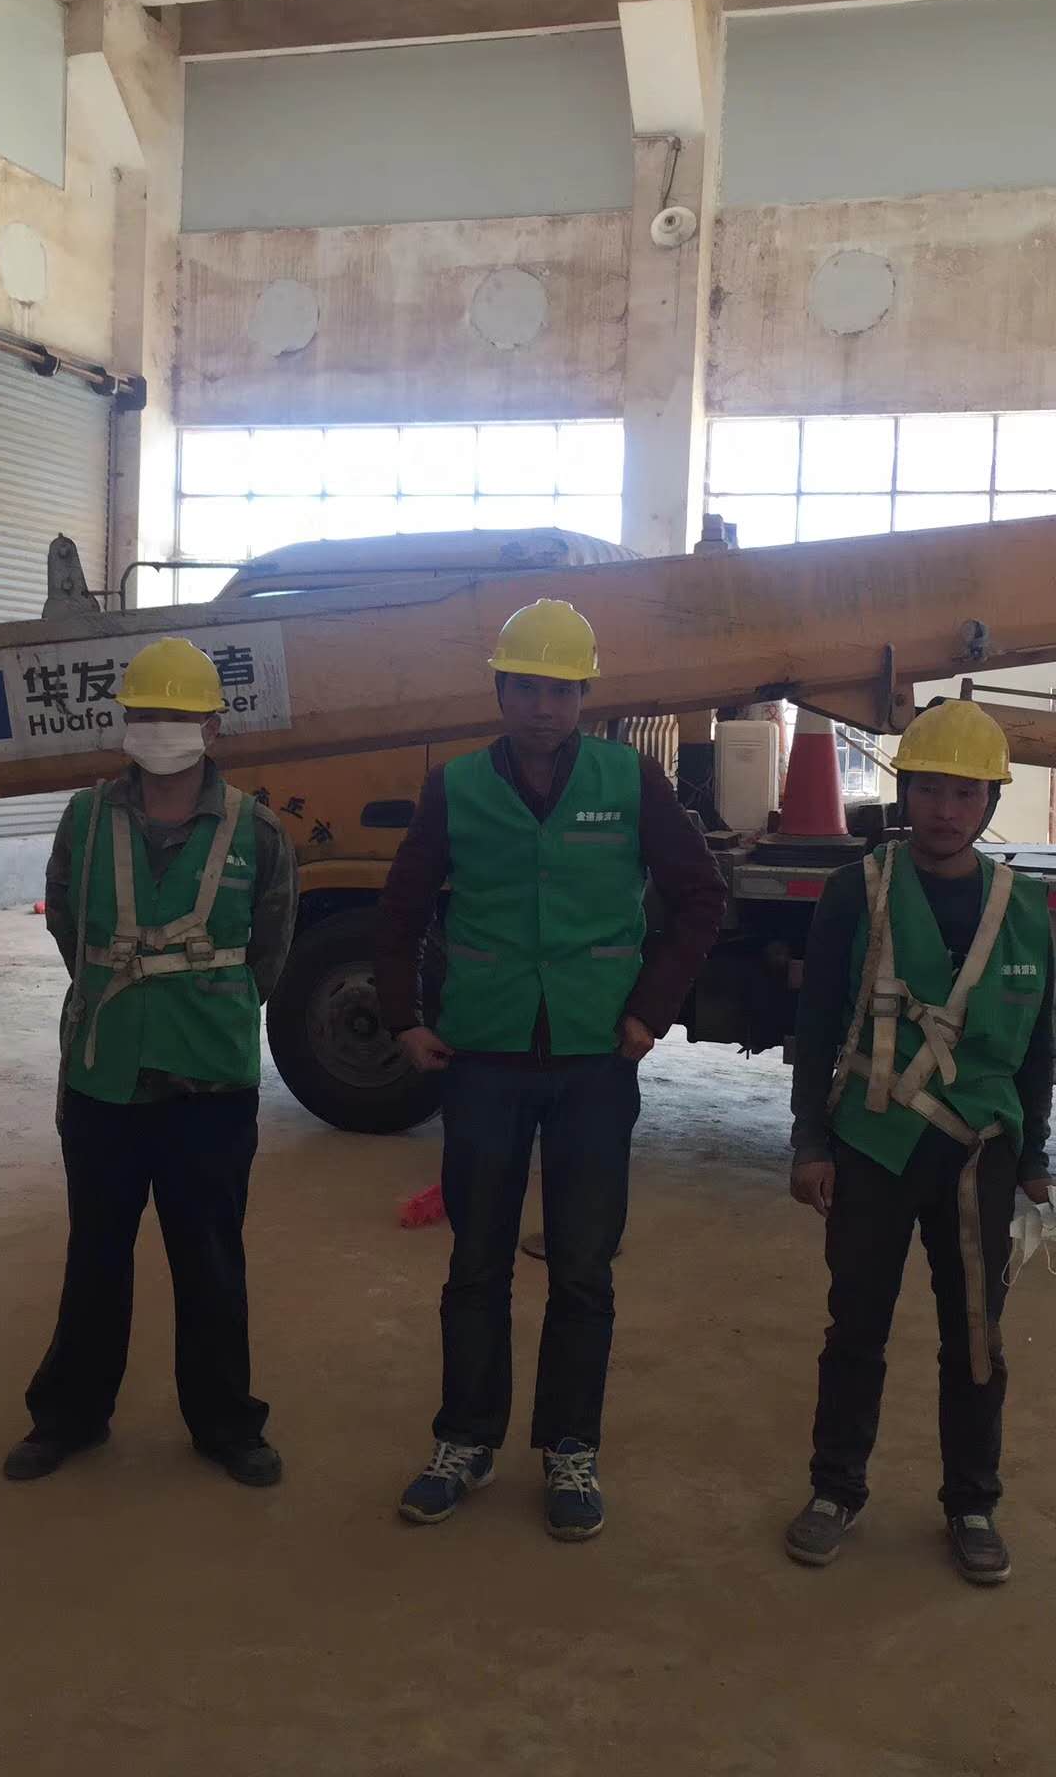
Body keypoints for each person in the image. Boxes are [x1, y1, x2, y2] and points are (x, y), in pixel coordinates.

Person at [375, 598, 726, 1541]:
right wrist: (405, 1018)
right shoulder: (455, 787)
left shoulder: (630, 779)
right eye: (526, 688)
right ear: (499, 691)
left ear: (585, 699)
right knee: (476, 1262)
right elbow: (401, 909)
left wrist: (651, 1009)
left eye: (562, 691)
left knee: (582, 1269)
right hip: (483, 1055)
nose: (543, 707)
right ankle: (465, 1440)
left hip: (593, 1060)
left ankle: (571, 1449)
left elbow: (701, 895)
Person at [4, 638, 298, 1487]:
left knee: (210, 1260)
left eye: (179, 713)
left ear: (213, 726)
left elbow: (270, 951)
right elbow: (68, 924)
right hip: (106, 1078)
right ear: (125, 722)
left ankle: (226, 1424)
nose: (161, 727)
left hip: (210, 1085)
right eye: (146, 712)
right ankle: (69, 1416)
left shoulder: (257, 831)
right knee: (96, 1255)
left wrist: (201, 1008)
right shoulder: (85, 819)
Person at [785, 699, 1053, 1586]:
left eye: (966, 793)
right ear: (906, 793)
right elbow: (816, 1025)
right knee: (855, 1326)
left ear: (989, 802)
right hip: (872, 1142)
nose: (946, 809)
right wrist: (809, 1141)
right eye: (931, 789)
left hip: (981, 1154)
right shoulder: (855, 891)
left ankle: (972, 1504)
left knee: (975, 1337)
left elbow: (1040, 1043)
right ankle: (835, 1490)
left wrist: (1035, 1158)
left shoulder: (1026, 909)